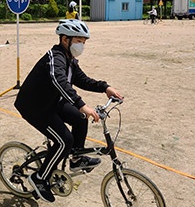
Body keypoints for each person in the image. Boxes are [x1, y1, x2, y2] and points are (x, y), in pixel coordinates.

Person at [14, 19, 123, 202]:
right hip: (35, 107)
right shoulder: (55, 57)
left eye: (84, 42)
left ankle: (76, 158)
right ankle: (39, 178)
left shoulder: (69, 59)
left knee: (80, 118)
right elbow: (59, 81)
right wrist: (81, 104)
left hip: (52, 102)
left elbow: (82, 80)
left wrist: (105, 87)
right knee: (64, 140)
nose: (82, 45)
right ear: (65, 39)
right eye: (79, 41)